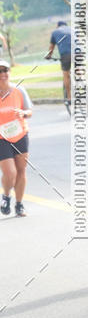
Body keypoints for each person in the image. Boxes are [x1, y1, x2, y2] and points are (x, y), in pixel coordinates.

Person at [0, 60, 33, 218]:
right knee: (10, 173)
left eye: (5, 70)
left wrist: (23, 113)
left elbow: (29, 111)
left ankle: (19, 204)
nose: (2, 74)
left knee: (21, 171)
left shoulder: (19, 90)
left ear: (9, 72)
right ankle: (6, 196)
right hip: (1, 137)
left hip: (20, 134)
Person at [46, 20, 72, 102]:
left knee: (66, 75)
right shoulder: (72, 29)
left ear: (58, 26)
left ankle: (69, 97)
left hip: (66, 55)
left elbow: (51, 48)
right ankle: (81, 81)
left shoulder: (55, 32)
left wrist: (48, 56)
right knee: (78, 71)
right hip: (79, 53)